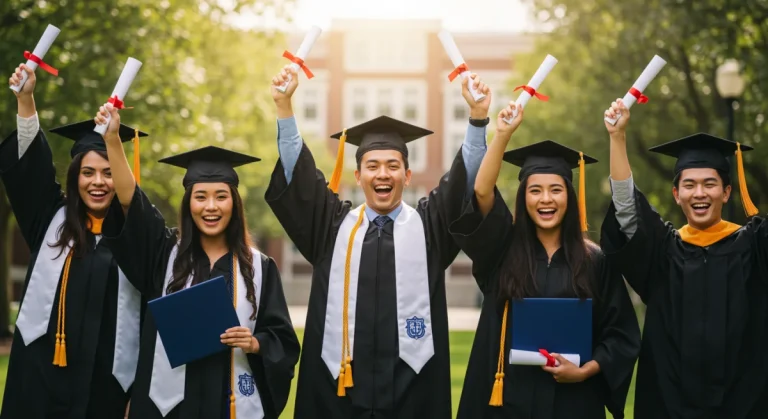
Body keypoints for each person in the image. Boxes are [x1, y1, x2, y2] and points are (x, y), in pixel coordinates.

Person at [265, 65, 491, 419]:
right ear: (358, 176)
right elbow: (300, 178)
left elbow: (464, 182)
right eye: (372, 165)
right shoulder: (333, 227)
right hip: (338, 391)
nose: (382, 174)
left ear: (407, 175)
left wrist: (478, 119)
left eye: (392, 165)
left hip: (411, 393)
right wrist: (284, 108)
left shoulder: (428, 228)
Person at [93, 103, 300, 419]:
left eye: (221, 196)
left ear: (235, 203)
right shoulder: (164, 254)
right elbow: (130, 201)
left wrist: (255, 343)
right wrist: (112, 142)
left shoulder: (260, 267)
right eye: (200, 196)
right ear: (188, 203)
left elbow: (282, 341)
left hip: (230, 404)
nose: (211, 206)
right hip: (171, 408)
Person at [450, 102, 641, 419]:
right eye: (535, 190)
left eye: (556, 189)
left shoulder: (594, 260)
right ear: (523, 197)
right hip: (507, 402)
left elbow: (620, 335)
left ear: (569, 195)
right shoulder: (501, 251)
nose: (546, 199)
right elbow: (482, 192)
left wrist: (584, 371)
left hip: (574, 403)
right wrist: (502, 135)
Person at [602, 100, 768, 418]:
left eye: (710, 184)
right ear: (677, 195)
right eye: (689, 185)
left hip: (744, 405)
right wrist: (617, 138)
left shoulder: (755, 248)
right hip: (670, 405)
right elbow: (626, 209)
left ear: (727, 192)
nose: (700, 193)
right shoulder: (663, 252)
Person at [1, 64, 144, 419]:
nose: (98, 182)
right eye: (88, 172)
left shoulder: (138, 237)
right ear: (75, 176)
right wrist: (27, 100)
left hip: (106, 390)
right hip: (40, 383)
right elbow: (31, 168)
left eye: (110, 172)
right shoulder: (50, 219)